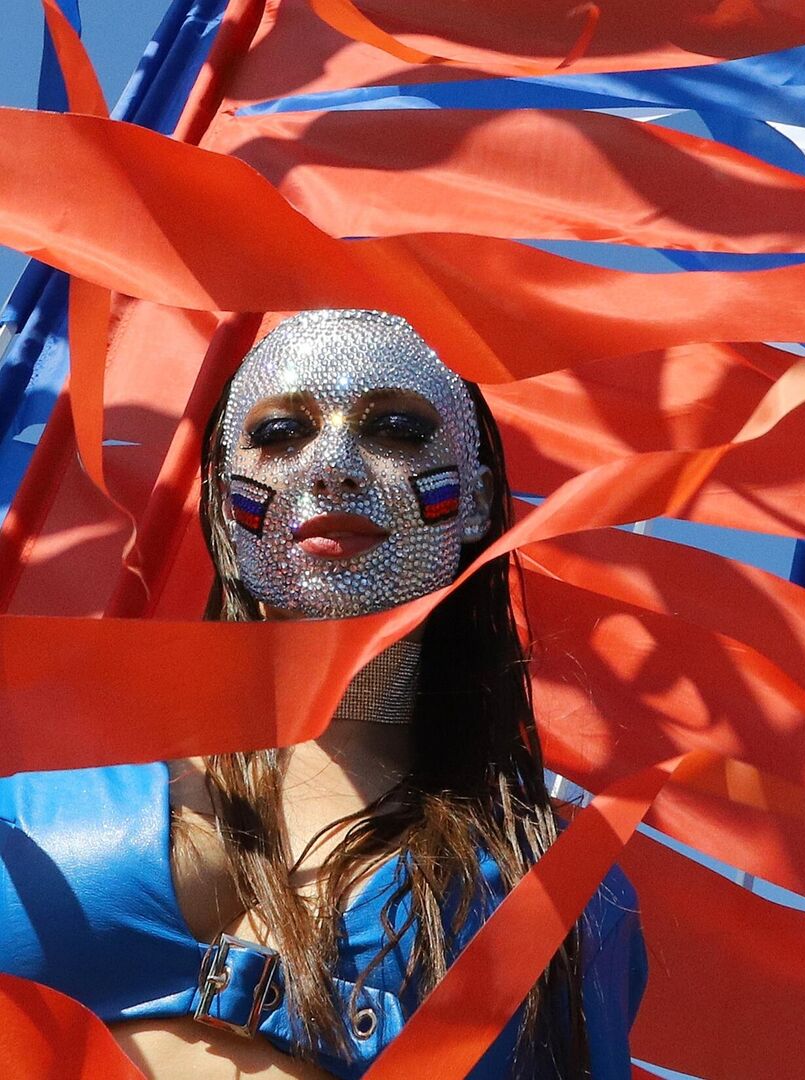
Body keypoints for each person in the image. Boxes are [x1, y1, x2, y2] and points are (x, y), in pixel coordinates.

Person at [0, 309, 644, 1078]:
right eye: (280, 434)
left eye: (397, 429)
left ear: (475, 500)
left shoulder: (563, 892)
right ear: (225, 502)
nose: (333, 468)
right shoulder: (28, 807)